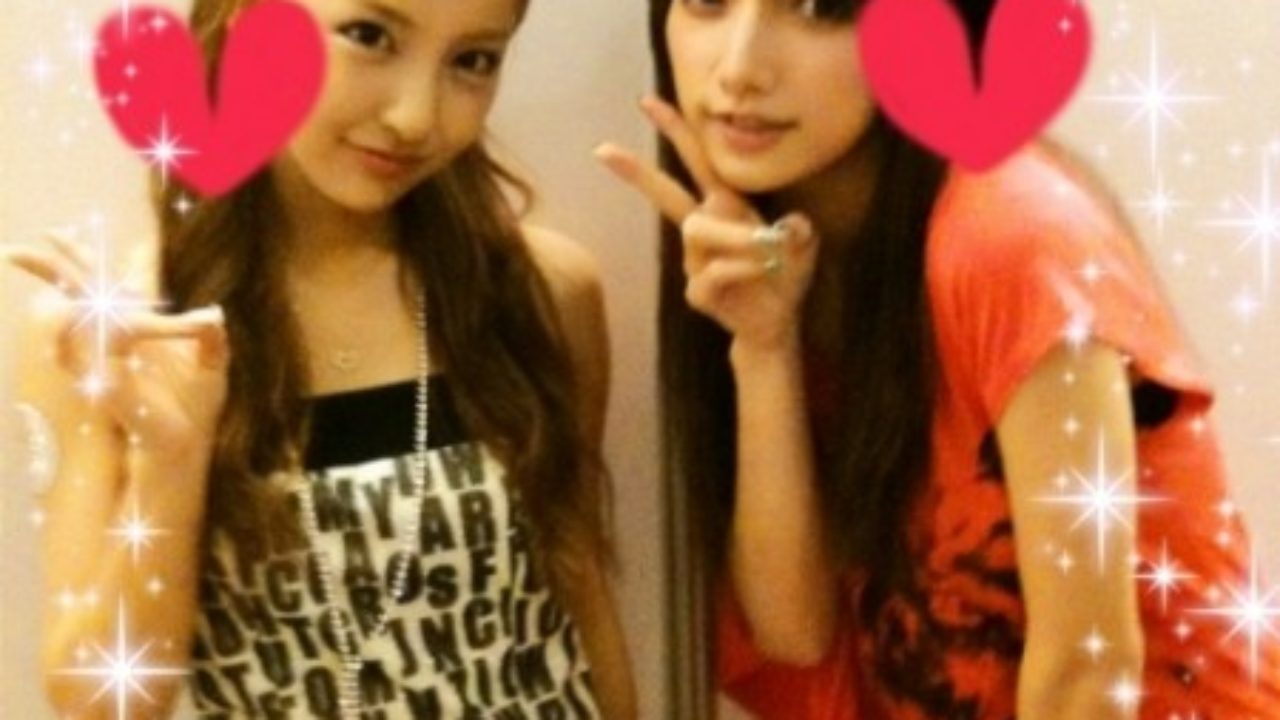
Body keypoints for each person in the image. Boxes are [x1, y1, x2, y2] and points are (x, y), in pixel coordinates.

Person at [596, 0, 1280, 717]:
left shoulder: (1009, 232)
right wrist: (765, 346)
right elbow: (794, 634)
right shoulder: (765, 249)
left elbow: (1088, 667)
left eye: (820, 9)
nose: (740, 68)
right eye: (707, 1)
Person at [6, 0, 636, 717]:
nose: (415, 117)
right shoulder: (123, 334)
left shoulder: (542, 294)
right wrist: (170, 464)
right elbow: (99, 703)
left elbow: (584, 597)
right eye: (369, 35)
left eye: (473, 61)